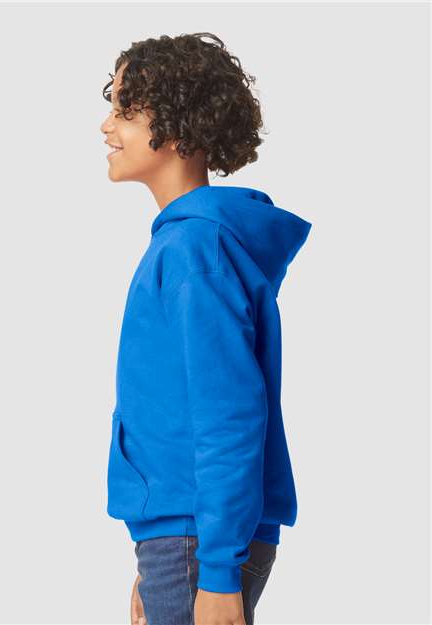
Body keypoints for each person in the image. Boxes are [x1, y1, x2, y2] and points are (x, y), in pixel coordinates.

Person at [100, 32, 312, 625]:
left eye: (125, 110)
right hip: (185, 537)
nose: (107, 126)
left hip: (200, 541)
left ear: (178, 128)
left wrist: (214, 570)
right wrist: (158, 556)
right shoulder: (189, 243)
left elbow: (228, 414)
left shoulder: (195, 250)